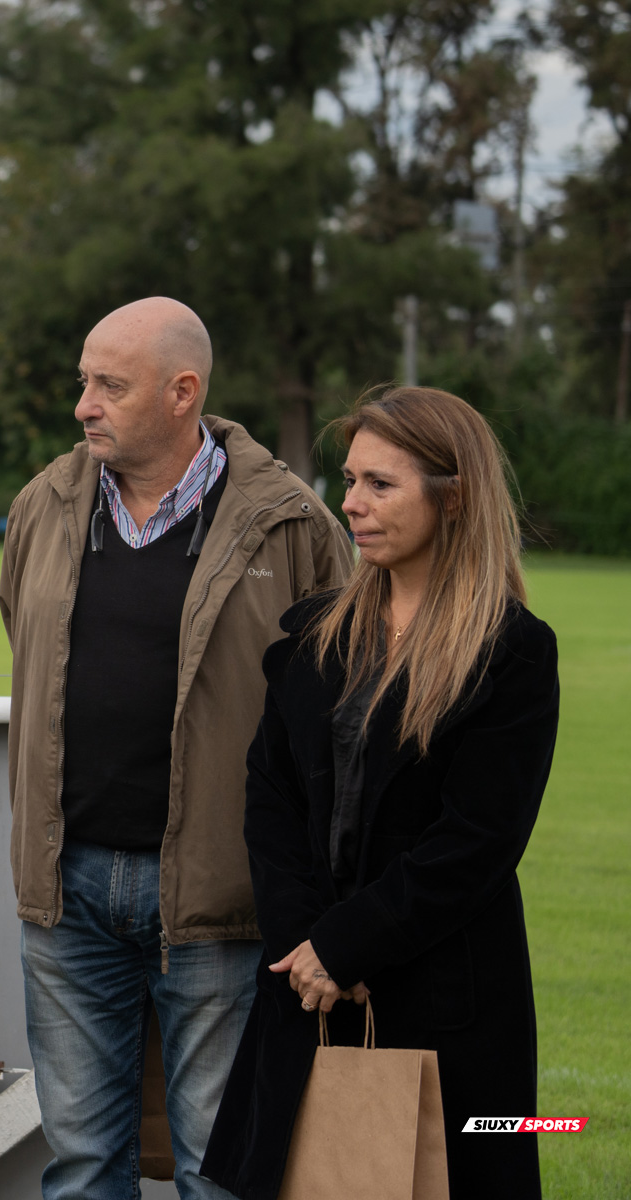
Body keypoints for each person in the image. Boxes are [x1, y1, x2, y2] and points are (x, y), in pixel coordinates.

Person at [0, 297, 352, 1199]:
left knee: (215, 1172)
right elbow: (23, 639)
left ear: (183, 392)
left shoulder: (294, 523)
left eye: (109, 386)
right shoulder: (43, 503)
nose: (84, 404)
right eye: (85, 381)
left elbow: (337, 709)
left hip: (222, 898)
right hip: (66, 886)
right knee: (80, 1168)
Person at [203, 387, 559, 1200]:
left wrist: (349, 945)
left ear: (454, 495)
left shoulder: (512, 654)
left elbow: (479, 837)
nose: (350, 504)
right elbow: (270, 799)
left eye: (380, 485)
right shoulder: (313, 634)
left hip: (445, 998)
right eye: (350, 480)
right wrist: (307, 945)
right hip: (305, 987)